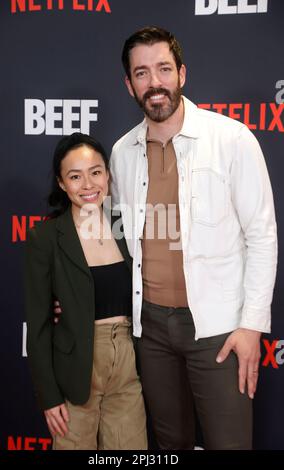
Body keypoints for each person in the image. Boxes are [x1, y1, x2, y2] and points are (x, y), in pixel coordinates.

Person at [108, 26, 278, 450]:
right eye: (142, 73)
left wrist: (252, 325)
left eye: (164, 69)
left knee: (229, 442)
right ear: (129, 84)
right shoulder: (121, 152)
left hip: (219, 330)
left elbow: (262, 235)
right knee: (169, 444)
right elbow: (116, 241)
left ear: (182, 73)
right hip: (151, 330)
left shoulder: (232, 139)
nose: (155, 83)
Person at [24, 132, 147, 450]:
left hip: (129, 366)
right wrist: (49, 398)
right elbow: (36, 326)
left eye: (95, 172)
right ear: (62, 184)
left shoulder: (127, 224)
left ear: (108, 174)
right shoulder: (47, 236)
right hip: (75, 370)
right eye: (75, 176)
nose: (88, 185)